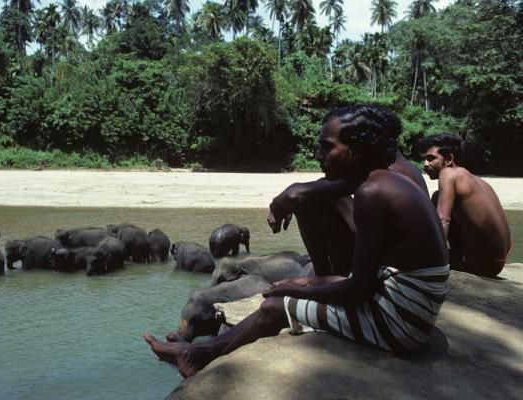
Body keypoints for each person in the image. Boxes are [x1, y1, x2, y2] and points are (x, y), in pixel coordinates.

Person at [143, 105, 449, 378]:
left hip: (401, 323)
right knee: (298, 287)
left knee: (276, 307)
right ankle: (201, 351)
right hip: (410, 304)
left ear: (355, 151)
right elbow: (367, 277)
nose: (318, 156)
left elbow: (360, 288)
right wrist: (306, 283)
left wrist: (294, 288)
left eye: (327, 148)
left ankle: (198, 356)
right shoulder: (385, 181)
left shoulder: (372, 193)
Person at [267, 103, 429, 277]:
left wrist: (280, 202)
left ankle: (323, 278)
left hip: (398, 269)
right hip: (407, 262)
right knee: (320, 191)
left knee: (313, 196)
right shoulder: (395, 167)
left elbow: (298, 194)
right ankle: (323, 277)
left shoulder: (389, 173)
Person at [420, 133, 511, 277]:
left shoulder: (448, 174)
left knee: (413, 257)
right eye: (425, 158)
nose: (425, 164)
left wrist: (434, 264)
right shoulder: (473, 179)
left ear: (449, 159)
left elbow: (443, 220)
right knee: (438, 196)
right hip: (497, 260)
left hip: (482, 263)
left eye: (431, 158)